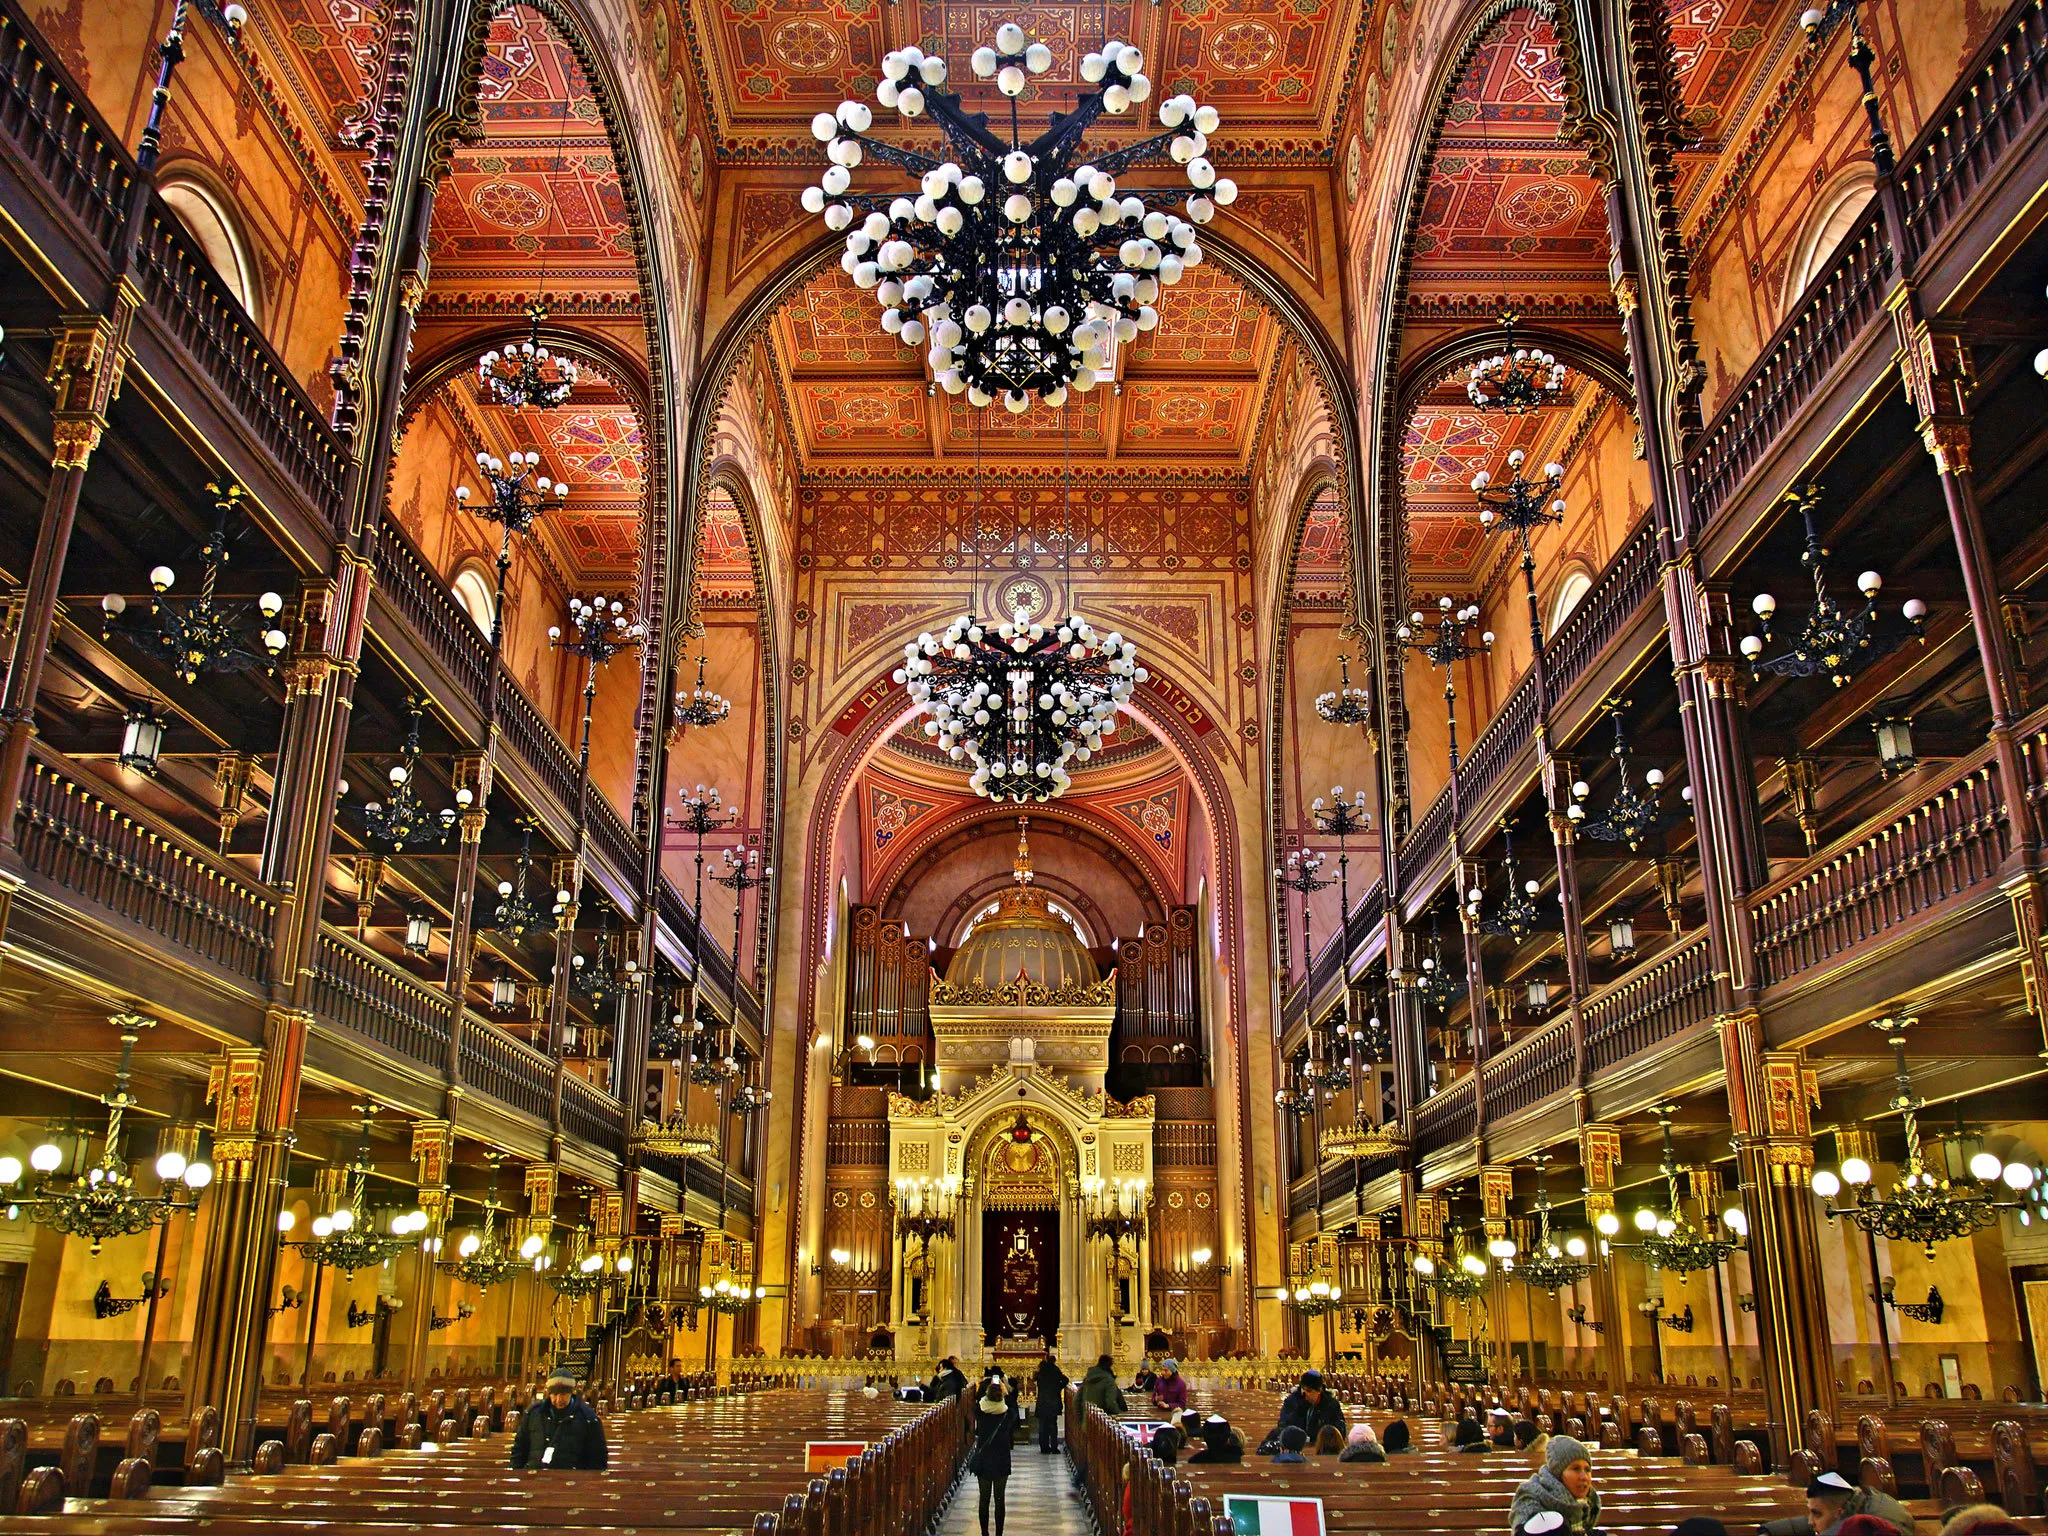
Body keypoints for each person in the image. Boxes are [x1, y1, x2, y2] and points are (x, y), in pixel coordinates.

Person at [510, 1371, 608, 1471]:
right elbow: (519, 1449)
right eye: (555, 1394)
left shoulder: (587, 1417)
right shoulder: (533, 1413)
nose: (558, 1399)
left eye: (563, 1394)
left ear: (571, 1392)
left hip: (572, 1481)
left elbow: (598, 1458)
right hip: (534, 1478)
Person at [1763, 1474, 1914, 1536]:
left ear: (1839, 1513)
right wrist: (1769, 1531)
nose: (1810, 1521)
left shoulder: (1878, 1525)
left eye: (1816, 1514)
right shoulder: (1855, 1501)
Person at [1510, 1435, 1599, 1536]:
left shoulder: (1589, 1503)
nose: (1584, 1477)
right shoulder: (1531, 1501)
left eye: (1587, 1470)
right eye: (1576, 1469)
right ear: (1558, 1474)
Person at [969, 1375, 1019, 1536]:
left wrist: (985, 1388)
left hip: (984, 1458)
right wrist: (1006, 1393)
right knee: (999, 1499)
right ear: (1001, 1396)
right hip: (1001, 1458)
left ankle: (984, 1532)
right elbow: (1014, 1408)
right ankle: (999, 1533)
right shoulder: (1007, 1413)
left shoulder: (980, 1411)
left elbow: (977, 1402)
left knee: (984, 1499)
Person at [1277, 1369, 1347, 1441]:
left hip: (1322, 1447)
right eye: (1302, 1389)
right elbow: (1283, 1426)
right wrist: (1301, 1410)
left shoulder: (1331, 1404)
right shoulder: (1292, 1401)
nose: (1304, 1394)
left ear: (1319, 1390)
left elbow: (1340, 1431)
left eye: (1309, 1391)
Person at [1034, 1351, 1069, 1453]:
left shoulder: (1041, 1372)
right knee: (1053, 1426)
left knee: (1042, 1426)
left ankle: (1044, 1447)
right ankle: (1054, 1447)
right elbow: (1065, 1380)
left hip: (1042, 1402)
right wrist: (1058, 1388)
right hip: (1053, 1401)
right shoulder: (1055, 1370)